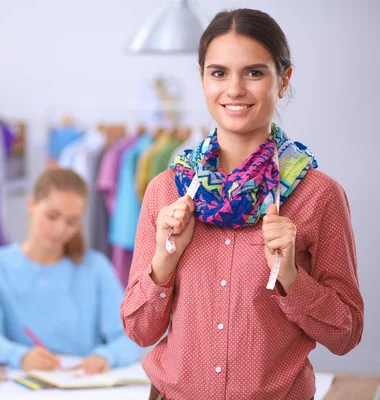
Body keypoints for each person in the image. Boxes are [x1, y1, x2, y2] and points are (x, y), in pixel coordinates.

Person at [121, 8, 364, 400]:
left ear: (283, 80)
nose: (234, 89)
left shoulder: (319, 196)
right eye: (218, 73)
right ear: (202, 79)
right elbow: (139, 330)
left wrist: (291, 278)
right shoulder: (166, 191)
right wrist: (165, 261)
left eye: (254, 72)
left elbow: (346, 333)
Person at [0, 168, 141, 374]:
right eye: (52, 216)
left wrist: (105, 357)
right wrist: (19, 356)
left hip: (82, 384)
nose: (60, 230)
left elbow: (130, 336)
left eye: (71, 222)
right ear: (32, 204)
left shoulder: (96, 268)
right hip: (19, 384)